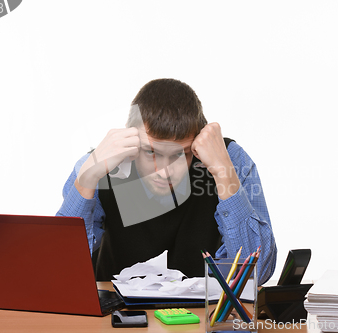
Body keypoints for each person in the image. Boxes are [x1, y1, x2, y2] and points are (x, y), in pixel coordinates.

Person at [56, 78, 277, 284]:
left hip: (201, 318)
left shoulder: (230, 160)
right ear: (131, 141)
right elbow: (61, 268)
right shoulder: (99, 163)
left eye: (180, 154)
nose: (164, 172)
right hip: (116, 318)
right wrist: (88, 178)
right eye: (151, 152)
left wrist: (223, 172)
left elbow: (256, 275)